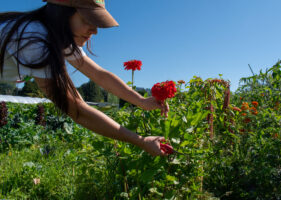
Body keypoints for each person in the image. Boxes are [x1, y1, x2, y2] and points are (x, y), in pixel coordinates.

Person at [0, 0, 169, 156]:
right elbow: (77, 110)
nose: (95, 30)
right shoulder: (36, 40)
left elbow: (99, 75)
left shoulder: (56, 36)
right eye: (88, 20)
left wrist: (141, 101)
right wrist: (140, 141)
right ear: (62, 13)